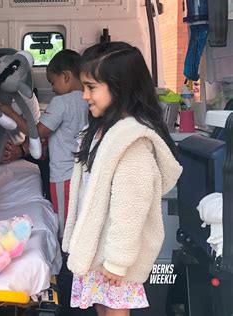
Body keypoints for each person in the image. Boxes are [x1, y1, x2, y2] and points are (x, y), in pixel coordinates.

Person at [61, 42, 182, 315]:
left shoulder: (131, 143)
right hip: (98, 247)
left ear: (120, 87)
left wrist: (117, 260)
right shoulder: (102, 130)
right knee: (102, 308)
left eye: (91, 87)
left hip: (114, 252)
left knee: (114, 310)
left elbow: (130, 210)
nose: (84, 96)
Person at [0, 49, 88, 238]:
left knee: (65, 222)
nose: (53, 88)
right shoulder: (89, 100)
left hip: (63, 174)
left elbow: (37, 131)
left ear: (65, 76)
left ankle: (67, 257)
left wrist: (10, 112)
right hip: (83, 172)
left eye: (52, 82)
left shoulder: (61, 102)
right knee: (81, 216)